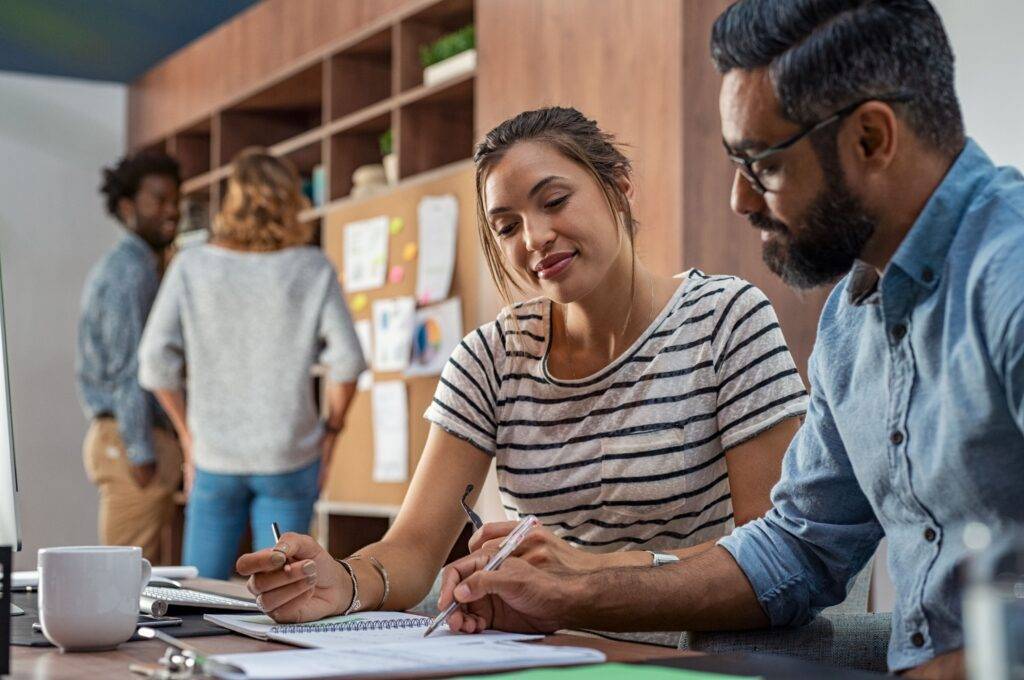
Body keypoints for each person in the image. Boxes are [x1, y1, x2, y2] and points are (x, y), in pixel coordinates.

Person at [429, 1, 1024, 678]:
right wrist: (573, 589)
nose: (741, 200)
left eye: (762, 164)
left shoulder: (1010, 279)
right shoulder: (851, 320)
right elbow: (798, 550)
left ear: (870, 139)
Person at [234, 107, 809, 634]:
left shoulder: (727, 319)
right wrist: (345, 581)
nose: (534, 238)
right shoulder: (490, 358)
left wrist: (584, 576)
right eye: (507, 226)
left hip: (693, 650)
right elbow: (411, 548)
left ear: (620, 190)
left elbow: (772, 553)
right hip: (545, 653)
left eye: (554, 201)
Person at [138, 149, 365, 579]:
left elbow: (153, 362)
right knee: (287, 595)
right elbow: (349, 361)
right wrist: (331, 434)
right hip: (289, 453)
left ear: (230, 202)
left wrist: (189, 436)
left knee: (197, 591)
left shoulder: (192, 265)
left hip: (214, 455)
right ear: (291, 200)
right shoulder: (311, 267)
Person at [77, 152, 183, 562]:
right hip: (130, 441)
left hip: (130, 438)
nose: (171, 210)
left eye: (175, 199)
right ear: (127, 206)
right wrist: (140, 451)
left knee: (136, 577)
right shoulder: (130, 273)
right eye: (159, 199)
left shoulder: (141, 267)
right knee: (121, 580)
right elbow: (129, 369)